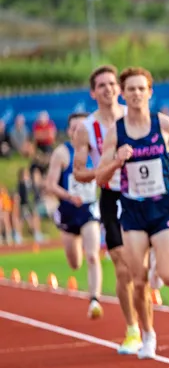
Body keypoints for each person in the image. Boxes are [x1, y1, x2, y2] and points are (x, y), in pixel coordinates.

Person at [93, 67, 169, 360]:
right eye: (130, 89)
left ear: (149, 92)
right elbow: (99, 177)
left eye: (141, 88)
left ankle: (161, 258)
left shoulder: (165, 125)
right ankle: (147, 335)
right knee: (138, 278)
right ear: (124, 94)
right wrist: (116, 161)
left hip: (161, 208)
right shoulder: (116, 132)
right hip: (132, 211)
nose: (136, 94)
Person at [72, 65, 142, 354]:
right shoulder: (86, 128)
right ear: (93, 92)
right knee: (122, 266)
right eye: (102, 85)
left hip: (141, 194)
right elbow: (78, 172)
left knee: (143, 266)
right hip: (111, 196)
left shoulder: (135, 116)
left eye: (112, 84)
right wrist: (106, 169)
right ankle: (132, 329)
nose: (108, 89)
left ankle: (147, 295)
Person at [42, 113, 104, 319]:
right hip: (69, 211)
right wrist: (69, 196)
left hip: (89, 209)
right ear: (69, 131)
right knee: (75, 262)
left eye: (82, 127)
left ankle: (94, 300)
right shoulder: (62, 153)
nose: (78, 131)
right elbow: (49, 185)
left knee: (93, 255)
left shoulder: (96, 151)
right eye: (74, 128)